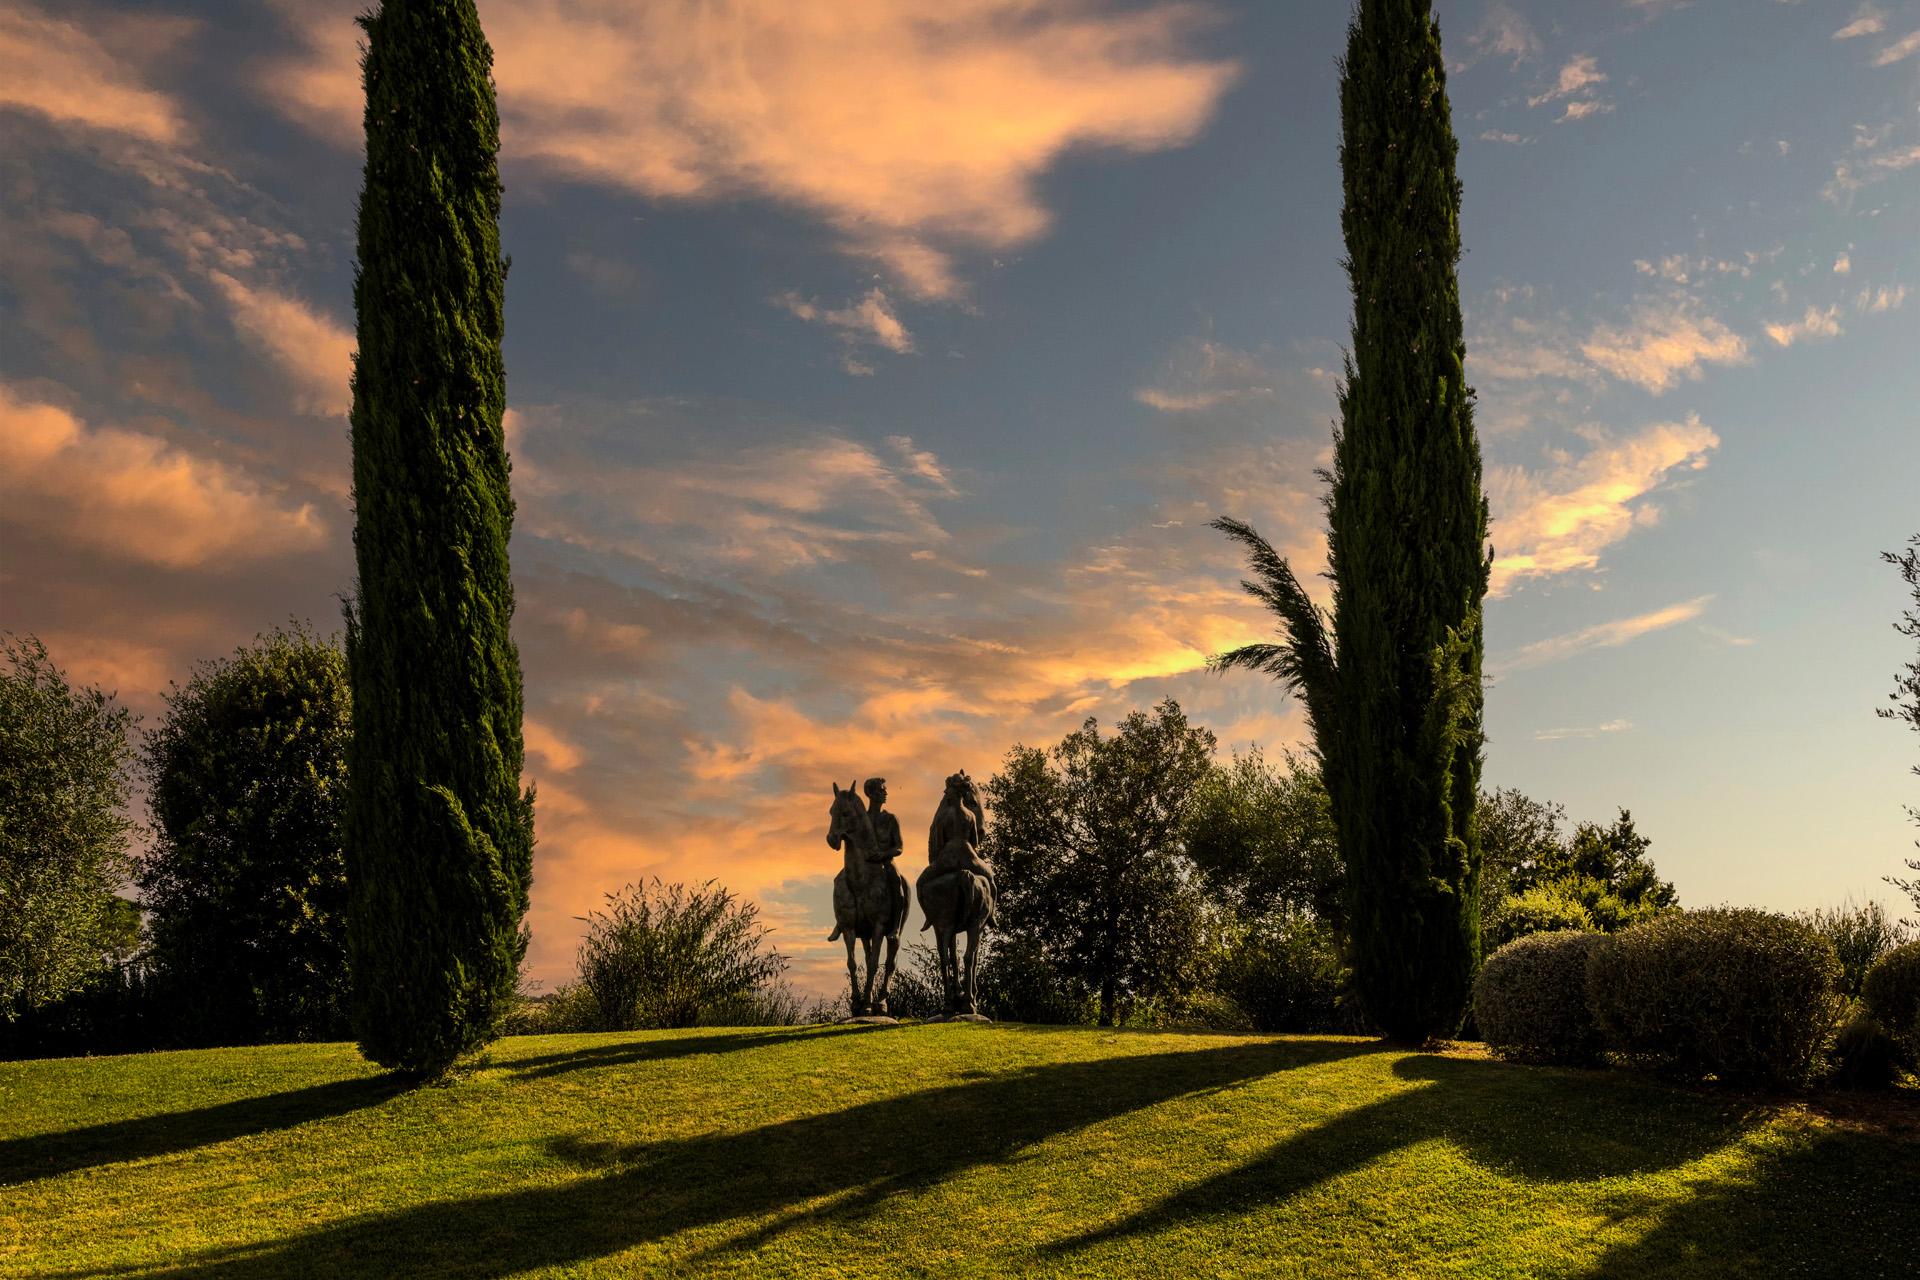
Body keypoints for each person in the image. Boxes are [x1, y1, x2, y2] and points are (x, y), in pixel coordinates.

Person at [926, 771, 997, 923]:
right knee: (990, 878)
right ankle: (991, 914)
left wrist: (937, 858)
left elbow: (938, 840)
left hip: (947, 857)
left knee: (921, 883)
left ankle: (929, 916)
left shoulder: (943, 816)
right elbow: (975, 842)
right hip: (968, 855)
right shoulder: (970, 815)